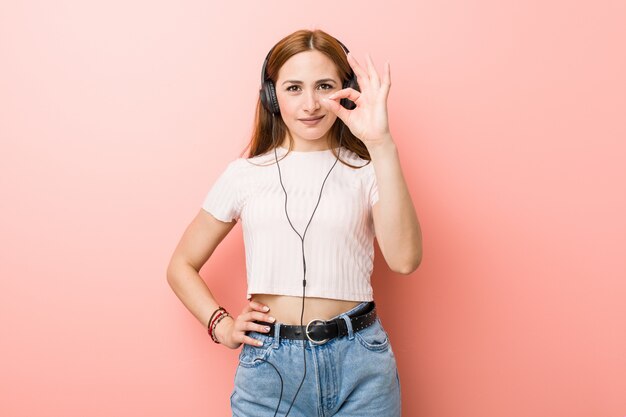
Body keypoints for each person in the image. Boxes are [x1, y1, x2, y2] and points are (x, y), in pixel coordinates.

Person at [167, 28, 422, 417]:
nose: (311, 104)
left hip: (361, 364)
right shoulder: (244, 175)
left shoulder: (367, 171)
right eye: (293, 88)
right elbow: (180, 265)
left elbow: (405, 260)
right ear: (271, 96)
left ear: (345, 90)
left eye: (324, 86)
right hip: (269, 368)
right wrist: (221, 325)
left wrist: (381, 144)